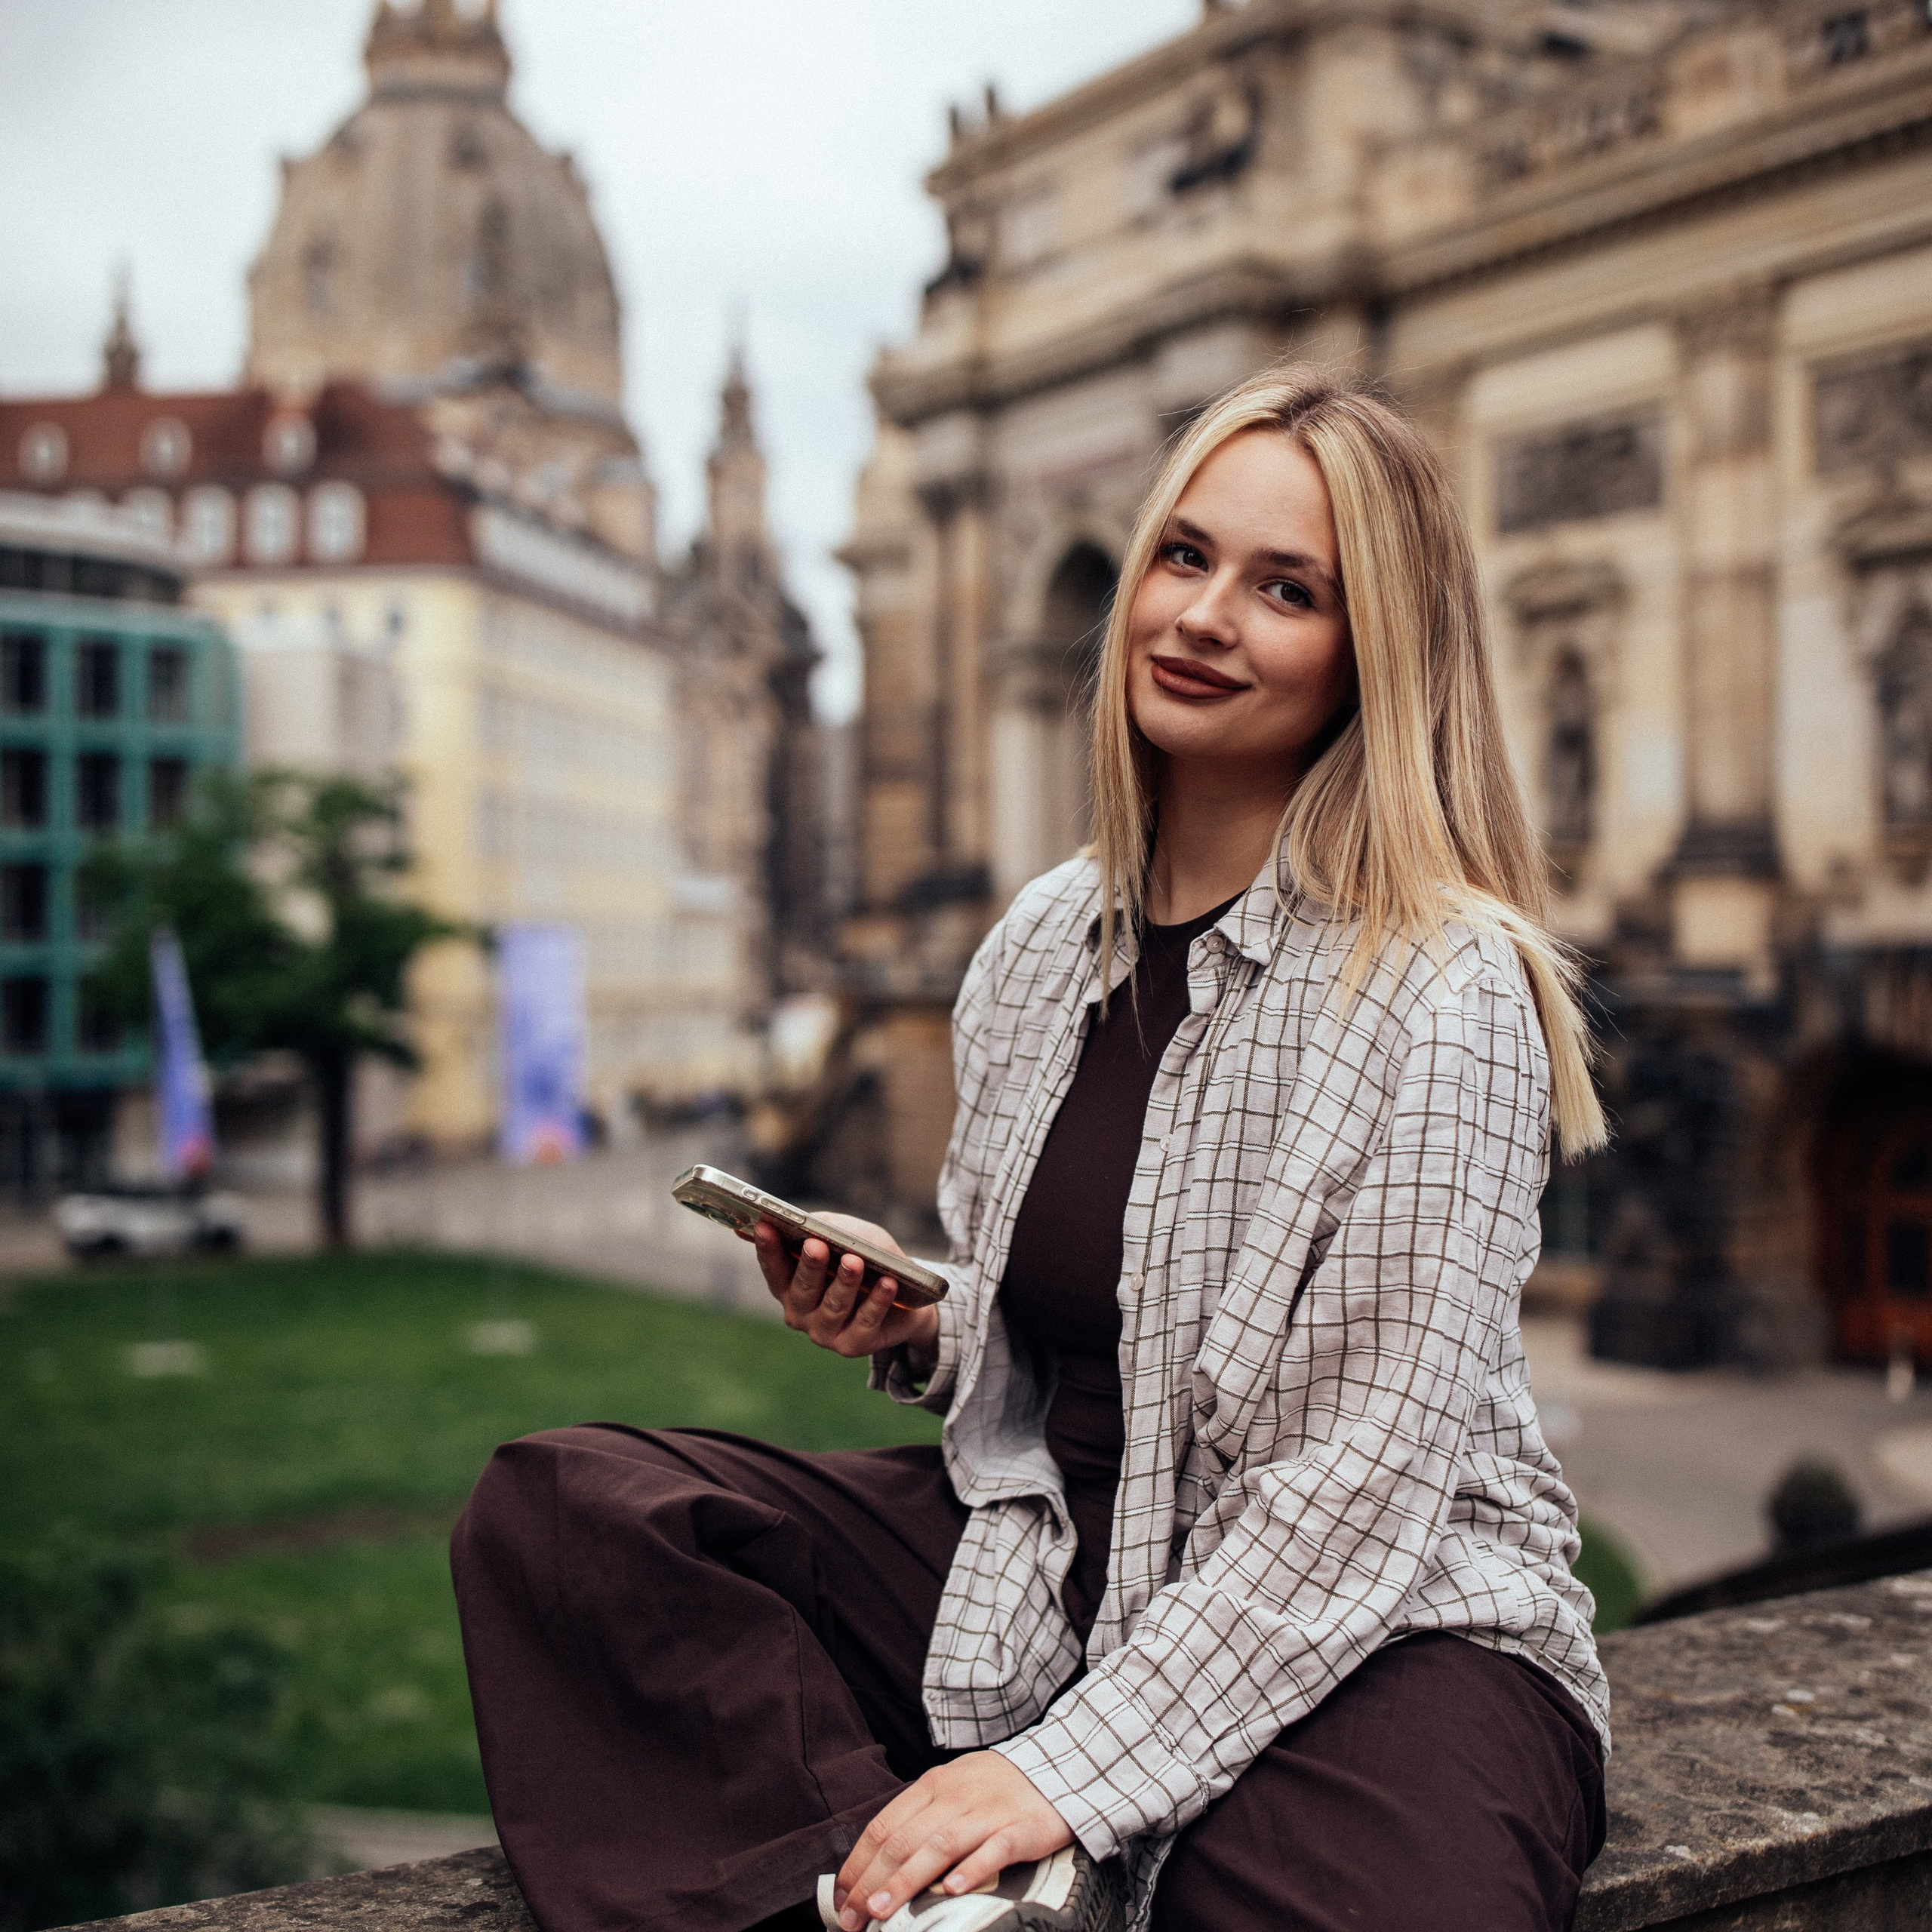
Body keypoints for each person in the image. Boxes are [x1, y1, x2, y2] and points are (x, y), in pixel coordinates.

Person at [451, 362, 1611, 1932]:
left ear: (1369, 656)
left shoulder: (1441, 981)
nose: (1202, 616)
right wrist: (932, 1322)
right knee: (570, 1510)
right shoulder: (1040, 943)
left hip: (1386, 1609)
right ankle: (928, 1908)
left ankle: (975, 1859)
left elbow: (1353, 1482)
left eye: (1285, 590)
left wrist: (1066, 1769)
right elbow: (1083, 1323)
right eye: (1184, 556)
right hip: (1052, 1548)